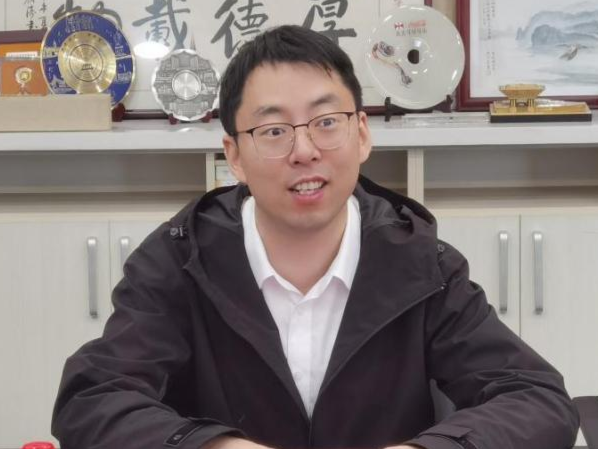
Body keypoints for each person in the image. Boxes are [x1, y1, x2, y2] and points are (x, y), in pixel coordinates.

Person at [52, 25, 579, 449]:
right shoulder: (179, 260)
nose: (304, 151)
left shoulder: (422, 264)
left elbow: (538, 401)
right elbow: (91, 401)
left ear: (362, 134)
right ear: (234, 156)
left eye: (327, 122)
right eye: (273, 131)